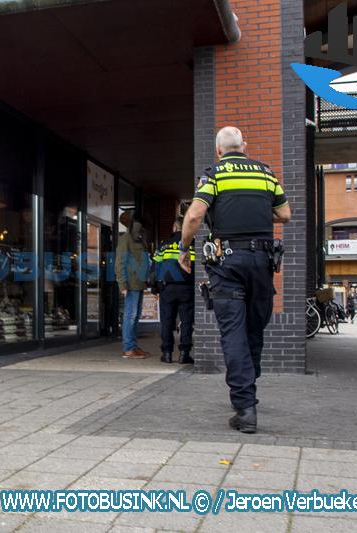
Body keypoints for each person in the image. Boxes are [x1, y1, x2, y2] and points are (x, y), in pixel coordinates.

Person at [178, 126, 292, 434]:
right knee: (254, 328)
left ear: (219, 150)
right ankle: (248, 388)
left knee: (233, 333)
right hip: (262, 262)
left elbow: (193, 216)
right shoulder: (266, 174)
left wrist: (184, 249)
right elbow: (285, 214)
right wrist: (253, 213)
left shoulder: (214, 175)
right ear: (244, 145)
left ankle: (245, 408)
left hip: (227, 263)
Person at [152, 212, 196, 364]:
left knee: (167, 321)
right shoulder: (192, 244)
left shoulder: (164, 244)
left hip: (168, 288)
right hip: (187, 288)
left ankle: (167, 353)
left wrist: (155, 287)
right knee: (186, 322)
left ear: (174, 227)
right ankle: (184, 354)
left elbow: (156, 266)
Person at [116, 209, 150, 359]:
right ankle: (128, 348)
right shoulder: (125, 239)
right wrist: (122, 284)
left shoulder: (140, 239)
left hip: (139, 283)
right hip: (130, 284)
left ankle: (133, 346)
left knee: (135, 316)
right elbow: (120, 263)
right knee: (131, 315)